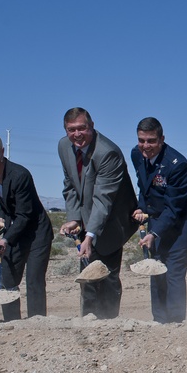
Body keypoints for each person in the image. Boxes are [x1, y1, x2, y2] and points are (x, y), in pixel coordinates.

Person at [58, 107, 138, 319]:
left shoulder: (107, 152)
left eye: (82, 128)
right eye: (71, 129)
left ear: (91, 127)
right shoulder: (64, 147)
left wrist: (90, 235)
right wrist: (74, 219)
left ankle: (108, 323)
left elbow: (104, 199)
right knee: (87, 275)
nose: (77, 134)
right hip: (87, 218)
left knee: (107, 276)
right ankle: (89, 320)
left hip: (112, 220)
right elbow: (70, 185)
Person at [131, 117, 187, 323]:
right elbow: (144, 185)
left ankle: (176, 324)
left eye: (151, 141)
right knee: (156, 273)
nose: (146, 146)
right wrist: (141, 208)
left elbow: (174, 207)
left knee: (173, 276)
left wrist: (153, 233)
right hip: (157, 222)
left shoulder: (178, 166)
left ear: (162, 139)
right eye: (141, 140)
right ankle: (159, 322)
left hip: (181, 227)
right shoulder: (137, 154)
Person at [0, 132, 53, 322]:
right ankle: (11, 322)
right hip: (16, 231)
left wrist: (5, 238)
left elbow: (25, 214)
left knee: (34, 280)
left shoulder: (19, 175)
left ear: (2, 151)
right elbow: (4, 204)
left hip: (37, 232)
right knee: (8, 276)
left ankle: (37, 323)